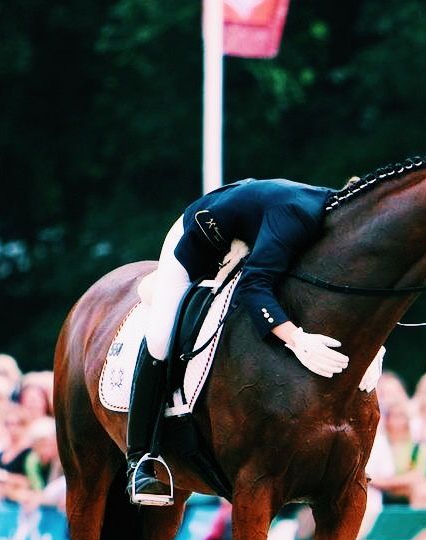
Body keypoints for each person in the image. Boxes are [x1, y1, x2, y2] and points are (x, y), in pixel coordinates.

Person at [126, 178, 353, 506]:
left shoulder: (329, 231)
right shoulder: (298, 216)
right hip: (196, 241)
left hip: (246, 240)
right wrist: (296, 339)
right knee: (161, 337)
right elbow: (254, 286)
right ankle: (141, 459)